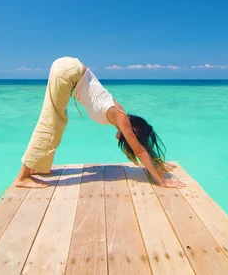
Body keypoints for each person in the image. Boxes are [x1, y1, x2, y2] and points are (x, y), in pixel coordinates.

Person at [13, 56, 186, 189]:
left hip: (68, 69)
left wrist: (158, 164)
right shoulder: (121, 118)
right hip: (68, 71)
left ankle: (35, 167)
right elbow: (139, 150)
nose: (124, 141)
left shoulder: (120, 116)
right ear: (132, 132)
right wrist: (161, 181)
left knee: (56, 121)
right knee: (52, 122)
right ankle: (22, 176)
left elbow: (142, 149)